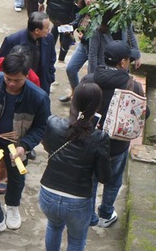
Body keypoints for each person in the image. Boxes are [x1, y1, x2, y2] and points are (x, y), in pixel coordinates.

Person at [0, 52, 50, 238]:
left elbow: (41, 126)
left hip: (17, 143)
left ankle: (12, 206)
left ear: (26, 75)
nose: (11, 84)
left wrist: (25, 146)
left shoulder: (38, 97)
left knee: (16, 179)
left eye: (17, 80)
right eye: (8, 78)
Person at [80, 40, 148, 228]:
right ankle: (106, 213)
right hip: (117, 145)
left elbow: (78, 107)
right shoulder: (133, 86)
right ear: (123, 62)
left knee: (90, 179)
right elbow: (144, 113)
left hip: (90, 141)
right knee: (113, 180)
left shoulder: (89, 80)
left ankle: (89, 217)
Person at [40, 82, 112, 251]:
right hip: (78, 200)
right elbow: (104, 177)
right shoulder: (99, 138)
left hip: (48, 193)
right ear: (97, 107)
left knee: (54, 226)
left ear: (73, 99)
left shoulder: (53, 123)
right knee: (76, 240)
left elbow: (47, 146)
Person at [59, 0, 106, 103]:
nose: (88, 0)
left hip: (95, 49)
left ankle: (88, 98)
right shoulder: (85, 9)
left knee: (92, 75)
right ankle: (75, 92)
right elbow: (78, 20)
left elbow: (95, 37)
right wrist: (70, 26)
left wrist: (83, 37)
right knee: (71, 69)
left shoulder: (101, 14)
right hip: (84, 46)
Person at [0, 11, 56, 95]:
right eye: (47, 28)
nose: (49, 30)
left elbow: (52, 58)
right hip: (19, 86)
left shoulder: (49, 38)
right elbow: (1, 63)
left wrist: (50, 77)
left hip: (42, 83)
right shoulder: (12, 40)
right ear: (37, 31)